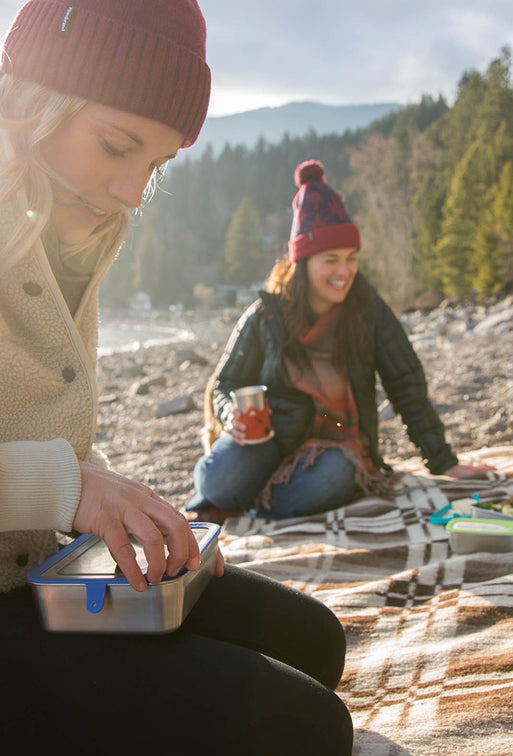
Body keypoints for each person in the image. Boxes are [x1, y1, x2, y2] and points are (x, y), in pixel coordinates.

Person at [0, 6, 353, 756]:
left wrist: (112, 507)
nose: (130, 191)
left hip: (27, 572)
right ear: (33, 97)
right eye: (116, 146)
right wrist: (69, 487)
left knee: (309, 642)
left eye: (156, 163)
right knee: (297, 734)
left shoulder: (69, 217)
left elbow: (24, 418)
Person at [186, 159, 493, 521]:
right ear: (303, 262)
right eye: (331, 259)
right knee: (215, 480)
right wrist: (229, 414)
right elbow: (225, 383)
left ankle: (258, 500)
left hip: (338, 446)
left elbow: (406, 385)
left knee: (329, 479)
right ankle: (253, 494)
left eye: (351, 258)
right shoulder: (266, 314)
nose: (344, 271)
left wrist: (444, 462)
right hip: (270, 440)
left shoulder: (368, 310)